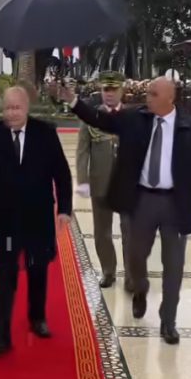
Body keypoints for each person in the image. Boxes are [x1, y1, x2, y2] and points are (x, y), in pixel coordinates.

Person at [59, 76, 191, 345]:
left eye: (153, 94)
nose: (147, 97)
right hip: (143, 201)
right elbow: (100, 120)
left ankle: (168, 321)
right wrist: (74, 101)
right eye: (148, 92)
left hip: (176, 205)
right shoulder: (134, 119)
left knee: (174, 265)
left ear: (170, 98)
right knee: (135, 255)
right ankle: (140, 287)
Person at [0, 86, 72, 357]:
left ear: (27, 108)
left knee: (37, 268)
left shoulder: (46, 133)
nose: (12, 113)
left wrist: (64, 209)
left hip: (38, 218)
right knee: (5, 276)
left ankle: (37, 317)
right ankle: (1, 337)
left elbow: (62, 174)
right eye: (7, 108)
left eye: (17, 108)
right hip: (5, 220)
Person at [75, 73, 132, 291]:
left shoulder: (133, 117)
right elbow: (82, 151)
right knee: (102, 232)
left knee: (130, 232)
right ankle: (108, 270)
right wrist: (82, 180)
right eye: (105, 90)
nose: (109, 94)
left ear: (121, 91)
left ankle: (131, 275)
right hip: (100, 183)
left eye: (113, 89)